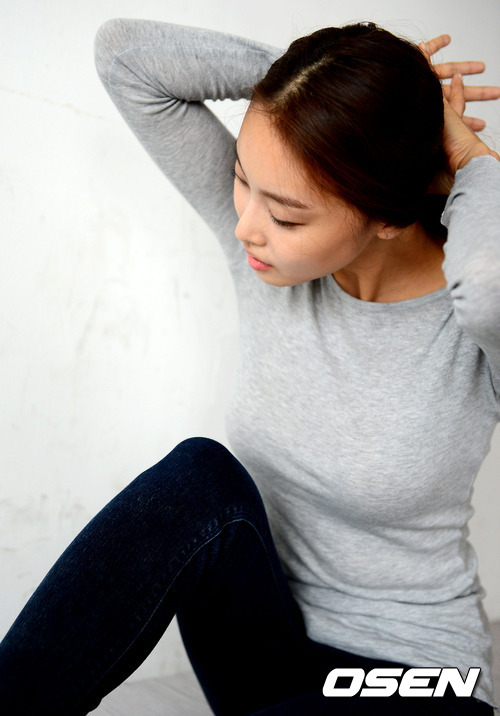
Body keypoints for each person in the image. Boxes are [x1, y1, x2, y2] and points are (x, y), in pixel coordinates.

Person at [0, 17, 499, 716]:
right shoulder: (268, 257)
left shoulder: (473, 320)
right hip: (267, 645)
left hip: (416, 674)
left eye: (288, 218)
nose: (246, 228)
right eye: (241, 180)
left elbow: (489, 281)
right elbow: (126, 58)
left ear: (388, 215)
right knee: (199, 475)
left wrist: (468, 158)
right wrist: (333, 97)